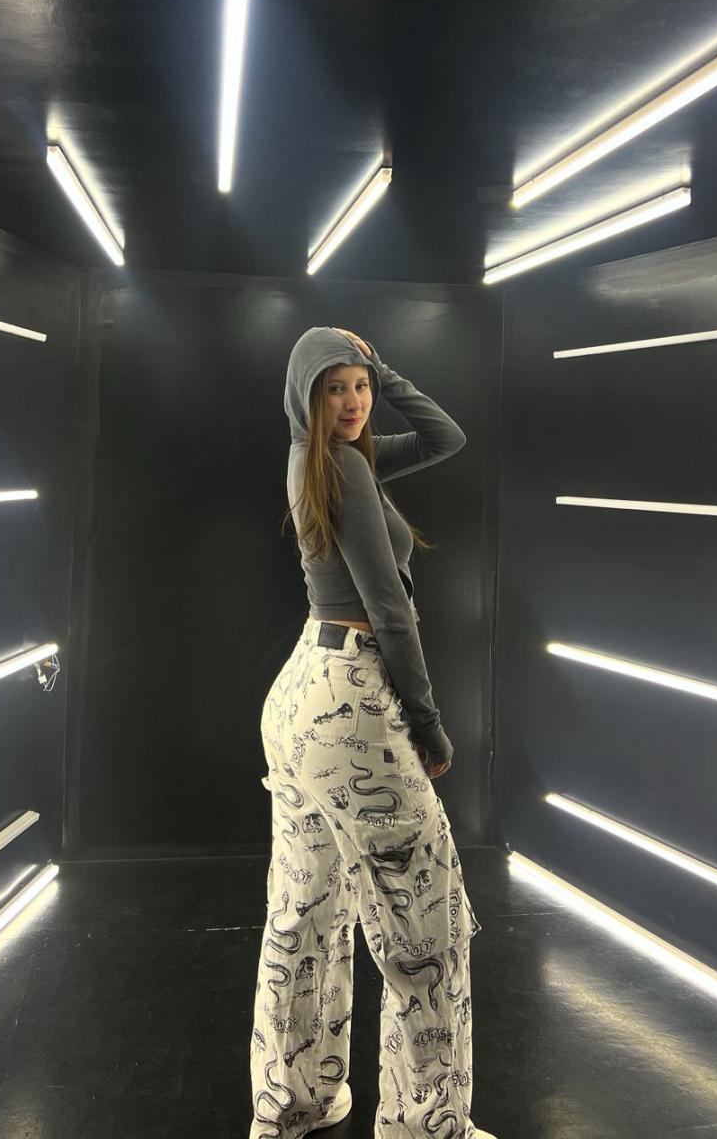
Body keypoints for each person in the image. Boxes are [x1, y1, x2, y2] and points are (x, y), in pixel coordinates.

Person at [249, 326, 495, 1139]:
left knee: (305, 914)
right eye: (336, 388)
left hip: (300, 698)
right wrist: (426, 723)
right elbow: (390, 611)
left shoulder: (324, 458)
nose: (354, 401)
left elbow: (445, 437)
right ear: (306, 395)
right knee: (425, 931)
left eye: (361, 385)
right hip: (352, 703)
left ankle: (292, 1103)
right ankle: (428, 1126)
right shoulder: (341, 467)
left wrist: (380, 368)